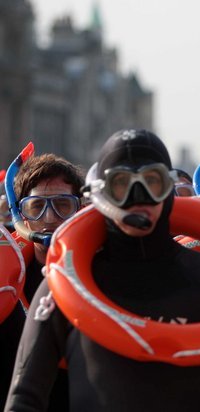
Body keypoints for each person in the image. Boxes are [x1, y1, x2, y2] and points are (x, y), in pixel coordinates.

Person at [5, 130, 200, 412]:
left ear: (168, 189)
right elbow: (24, 398)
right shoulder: (66, 285)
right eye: (121, 184)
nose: (138, 198)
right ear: (100, 195)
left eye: (152, 182)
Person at [1, 154, 84, 411]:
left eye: (63, 205)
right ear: (20, 215)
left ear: (80, 210)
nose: (49, 218)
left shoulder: (104, 271)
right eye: (36, 207)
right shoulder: (5, 276)